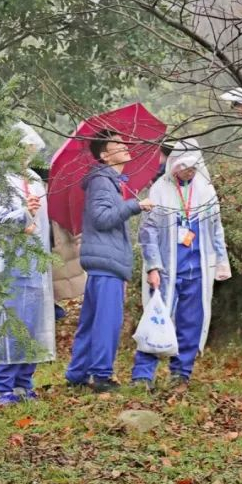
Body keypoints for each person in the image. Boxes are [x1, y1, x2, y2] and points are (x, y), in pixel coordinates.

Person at [132, 140, 231, 390]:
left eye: (193, 166)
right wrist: (153, 266)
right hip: (167, 268)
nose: (189, 171)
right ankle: (143, 375)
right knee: (157, 317)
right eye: (185, 166)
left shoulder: (206, 190)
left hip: (197, 268)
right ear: (175, 164)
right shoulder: (160, 190)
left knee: (191, 321)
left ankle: (181, 373)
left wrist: (221, 261)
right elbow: (148, 232)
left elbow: (216, 228)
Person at [64, 129, 154, 392]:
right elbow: (102, 219)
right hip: (107, 262)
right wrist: (135, 206)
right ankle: (101, 375)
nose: (125, 145)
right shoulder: (102, 180)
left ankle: (77, 374)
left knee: (92, 321)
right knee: (107, 320)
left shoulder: (111, 181)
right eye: (117, 143)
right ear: (104, 155)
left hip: (104, 261)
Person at [0, 122, 56, 406]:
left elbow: (43, 223)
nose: (26, 155)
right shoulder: (0, 180)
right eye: (21, 149)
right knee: (12, 324)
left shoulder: (35, 180)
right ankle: (1, 385)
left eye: (30, 150)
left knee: (33, 326)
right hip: (11, 262)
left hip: (36, 264)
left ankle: (24, 383)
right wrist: (23, 215)